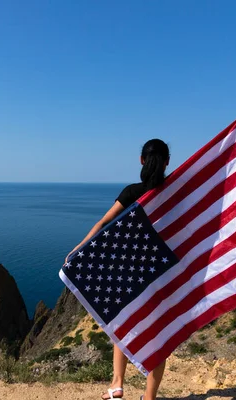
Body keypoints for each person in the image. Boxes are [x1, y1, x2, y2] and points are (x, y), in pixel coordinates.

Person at [65, 138, 170, 400]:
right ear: (167, 162)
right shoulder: (175, 192)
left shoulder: (132, 192)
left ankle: (117, 384)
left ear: (141, 161)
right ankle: (149, 397)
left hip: (129, 275)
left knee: (121, 326)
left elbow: (103, 223)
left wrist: (79, 248)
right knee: (159, 337)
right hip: (162, 274)